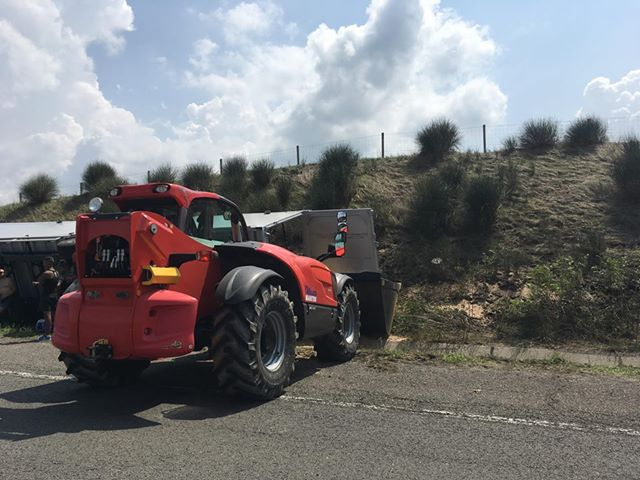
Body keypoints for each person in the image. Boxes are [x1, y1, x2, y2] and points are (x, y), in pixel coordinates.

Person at [33, 257, 59, 341]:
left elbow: (39, 282)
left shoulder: (47, 273)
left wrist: (36, 284)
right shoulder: (56, 272)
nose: (43, 265)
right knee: (55, 314)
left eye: (44, 263)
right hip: (54, 295)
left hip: (46, 296)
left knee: (47, 315)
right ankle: (57, 332)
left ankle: (47, 334)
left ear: (48, 263)